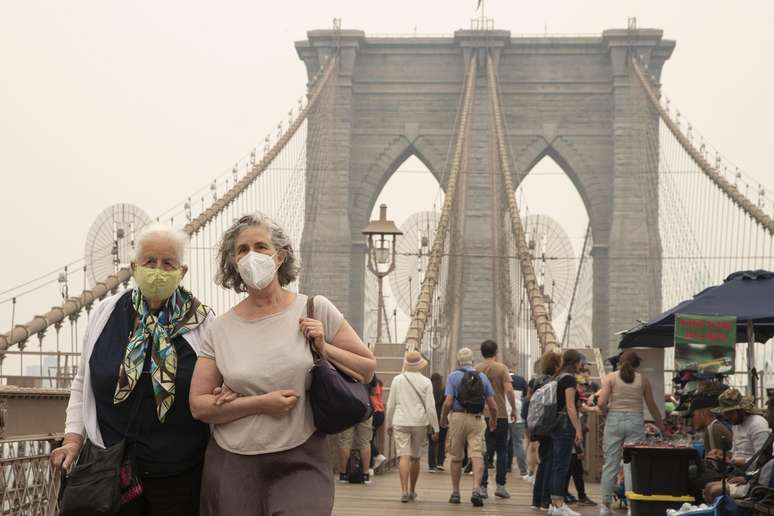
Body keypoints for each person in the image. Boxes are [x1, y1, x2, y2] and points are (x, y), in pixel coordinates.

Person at [189, 212, 376, 516]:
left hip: (301, 457)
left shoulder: (314, 308)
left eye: (261, 247)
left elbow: (366, 368)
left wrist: (324, 347)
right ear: (233, 262)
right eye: (242, 250)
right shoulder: (219, 329)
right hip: (233, 461)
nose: (252, 256)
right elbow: (199, 405)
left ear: (280, 255)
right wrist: (261, 403)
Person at [50, 223, 214, 515]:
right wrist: (73, 438)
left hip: (181, 476)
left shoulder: (203, 322)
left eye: (168, 263)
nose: (158, 270)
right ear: (134, 266)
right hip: (110, 471)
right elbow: (82, 381)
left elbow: (216, 385)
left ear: (183, 271)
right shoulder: (105, 313)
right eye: (150, 261)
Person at [597, 350, 665, 516]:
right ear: (637, 365)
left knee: (610, 464)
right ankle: (631, 507)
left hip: (614, 420)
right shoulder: (643, 380)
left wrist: (607, 412)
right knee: (631, 466)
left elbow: (601, 402)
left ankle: (605, 506)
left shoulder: (611, 377)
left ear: (620, 362)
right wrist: (660, 424)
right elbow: (652, 406)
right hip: (635, 421)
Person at [441, 347, 498, 507]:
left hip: (458, 417)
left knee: (456, 457)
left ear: (459, 361)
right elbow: (493, 405)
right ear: (473, 361)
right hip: (477, 418)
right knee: (477, 454)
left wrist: (444, 418)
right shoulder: (482, 377)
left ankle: (455, 493)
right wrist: (493, 420)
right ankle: (476, 489)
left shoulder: (453, 376)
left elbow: (448, 402)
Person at [385, 351, 440, 502]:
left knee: (404, 456)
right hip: (419, 422)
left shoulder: (397, 380)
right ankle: (412, 490)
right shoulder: (426, 382)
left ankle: (403, 491)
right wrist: (436, 427)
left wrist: (388, 423)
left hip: (400, 421)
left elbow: (390, 404)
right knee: (415, 458)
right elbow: (430, 407)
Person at [703, 388, 771, 501]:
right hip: (740, 473)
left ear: (740, 410)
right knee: (708, 487)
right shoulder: (736, 425)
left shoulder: (757, 424)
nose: (726, 417)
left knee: (713, 491)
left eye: (730, 413)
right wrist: (722, 454)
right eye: (725, 413)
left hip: (753, 478)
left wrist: (746, 475)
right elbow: (736, 453)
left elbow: (765, 461)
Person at [545, 349, 586, 516]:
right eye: (580, 362)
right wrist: (578, 429)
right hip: (564, 426)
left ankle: (554, 504)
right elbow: (570, 406)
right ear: (575, 362)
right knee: (562, 466)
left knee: (557, 465)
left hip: (555, 425)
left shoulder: (558, 376)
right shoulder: (569, 378)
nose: (581, 365)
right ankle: (559, 504)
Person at [476, 340, 517, 499]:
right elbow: (509, 391)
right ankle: (500, 486)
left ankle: (483, 487)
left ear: (482, 352)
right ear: (496, 351)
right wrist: (513, 409)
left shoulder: (477, 369)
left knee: (484, 452)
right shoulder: (502, 368)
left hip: (481, 416)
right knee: (502, 451)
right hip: (500, 415)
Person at [686, 394, 733, 501]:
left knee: (689, 479)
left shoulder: (713, 428)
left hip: (725, 474)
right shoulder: (713, 427)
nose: (691, 421)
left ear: (703, 413)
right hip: (722, 472)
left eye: (693, 415)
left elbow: (717, 466)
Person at [531, 351, 562, 511]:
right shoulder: (556, 383)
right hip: (551, 427)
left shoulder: (537, 381)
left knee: (543, 462)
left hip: (539, 426)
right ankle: (544, 501)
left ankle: (536, 501)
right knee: (550, 463)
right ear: (557, 366)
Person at [509, 369, 529, 479]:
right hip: (518, 414)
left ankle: (504, 468)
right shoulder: (521, 380)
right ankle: (523, 471)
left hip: (503, 415)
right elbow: (525, 396)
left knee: (502, 445)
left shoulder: (500, 378)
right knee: (518, 443)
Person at [428, 372, 448, 472]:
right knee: (442, 441)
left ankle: (432, 465)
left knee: (432, 442)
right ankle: (440, 463)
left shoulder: (429, 390)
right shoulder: (444, 390)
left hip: (431, 417)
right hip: (442, 417)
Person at [369, 376, 387, 474]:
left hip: (375, 414)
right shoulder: (379, 384)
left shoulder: (372, 386)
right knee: (369, 440)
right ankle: (370, 466)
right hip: (380, 413)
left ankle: (377, 456)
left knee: (367, 441)